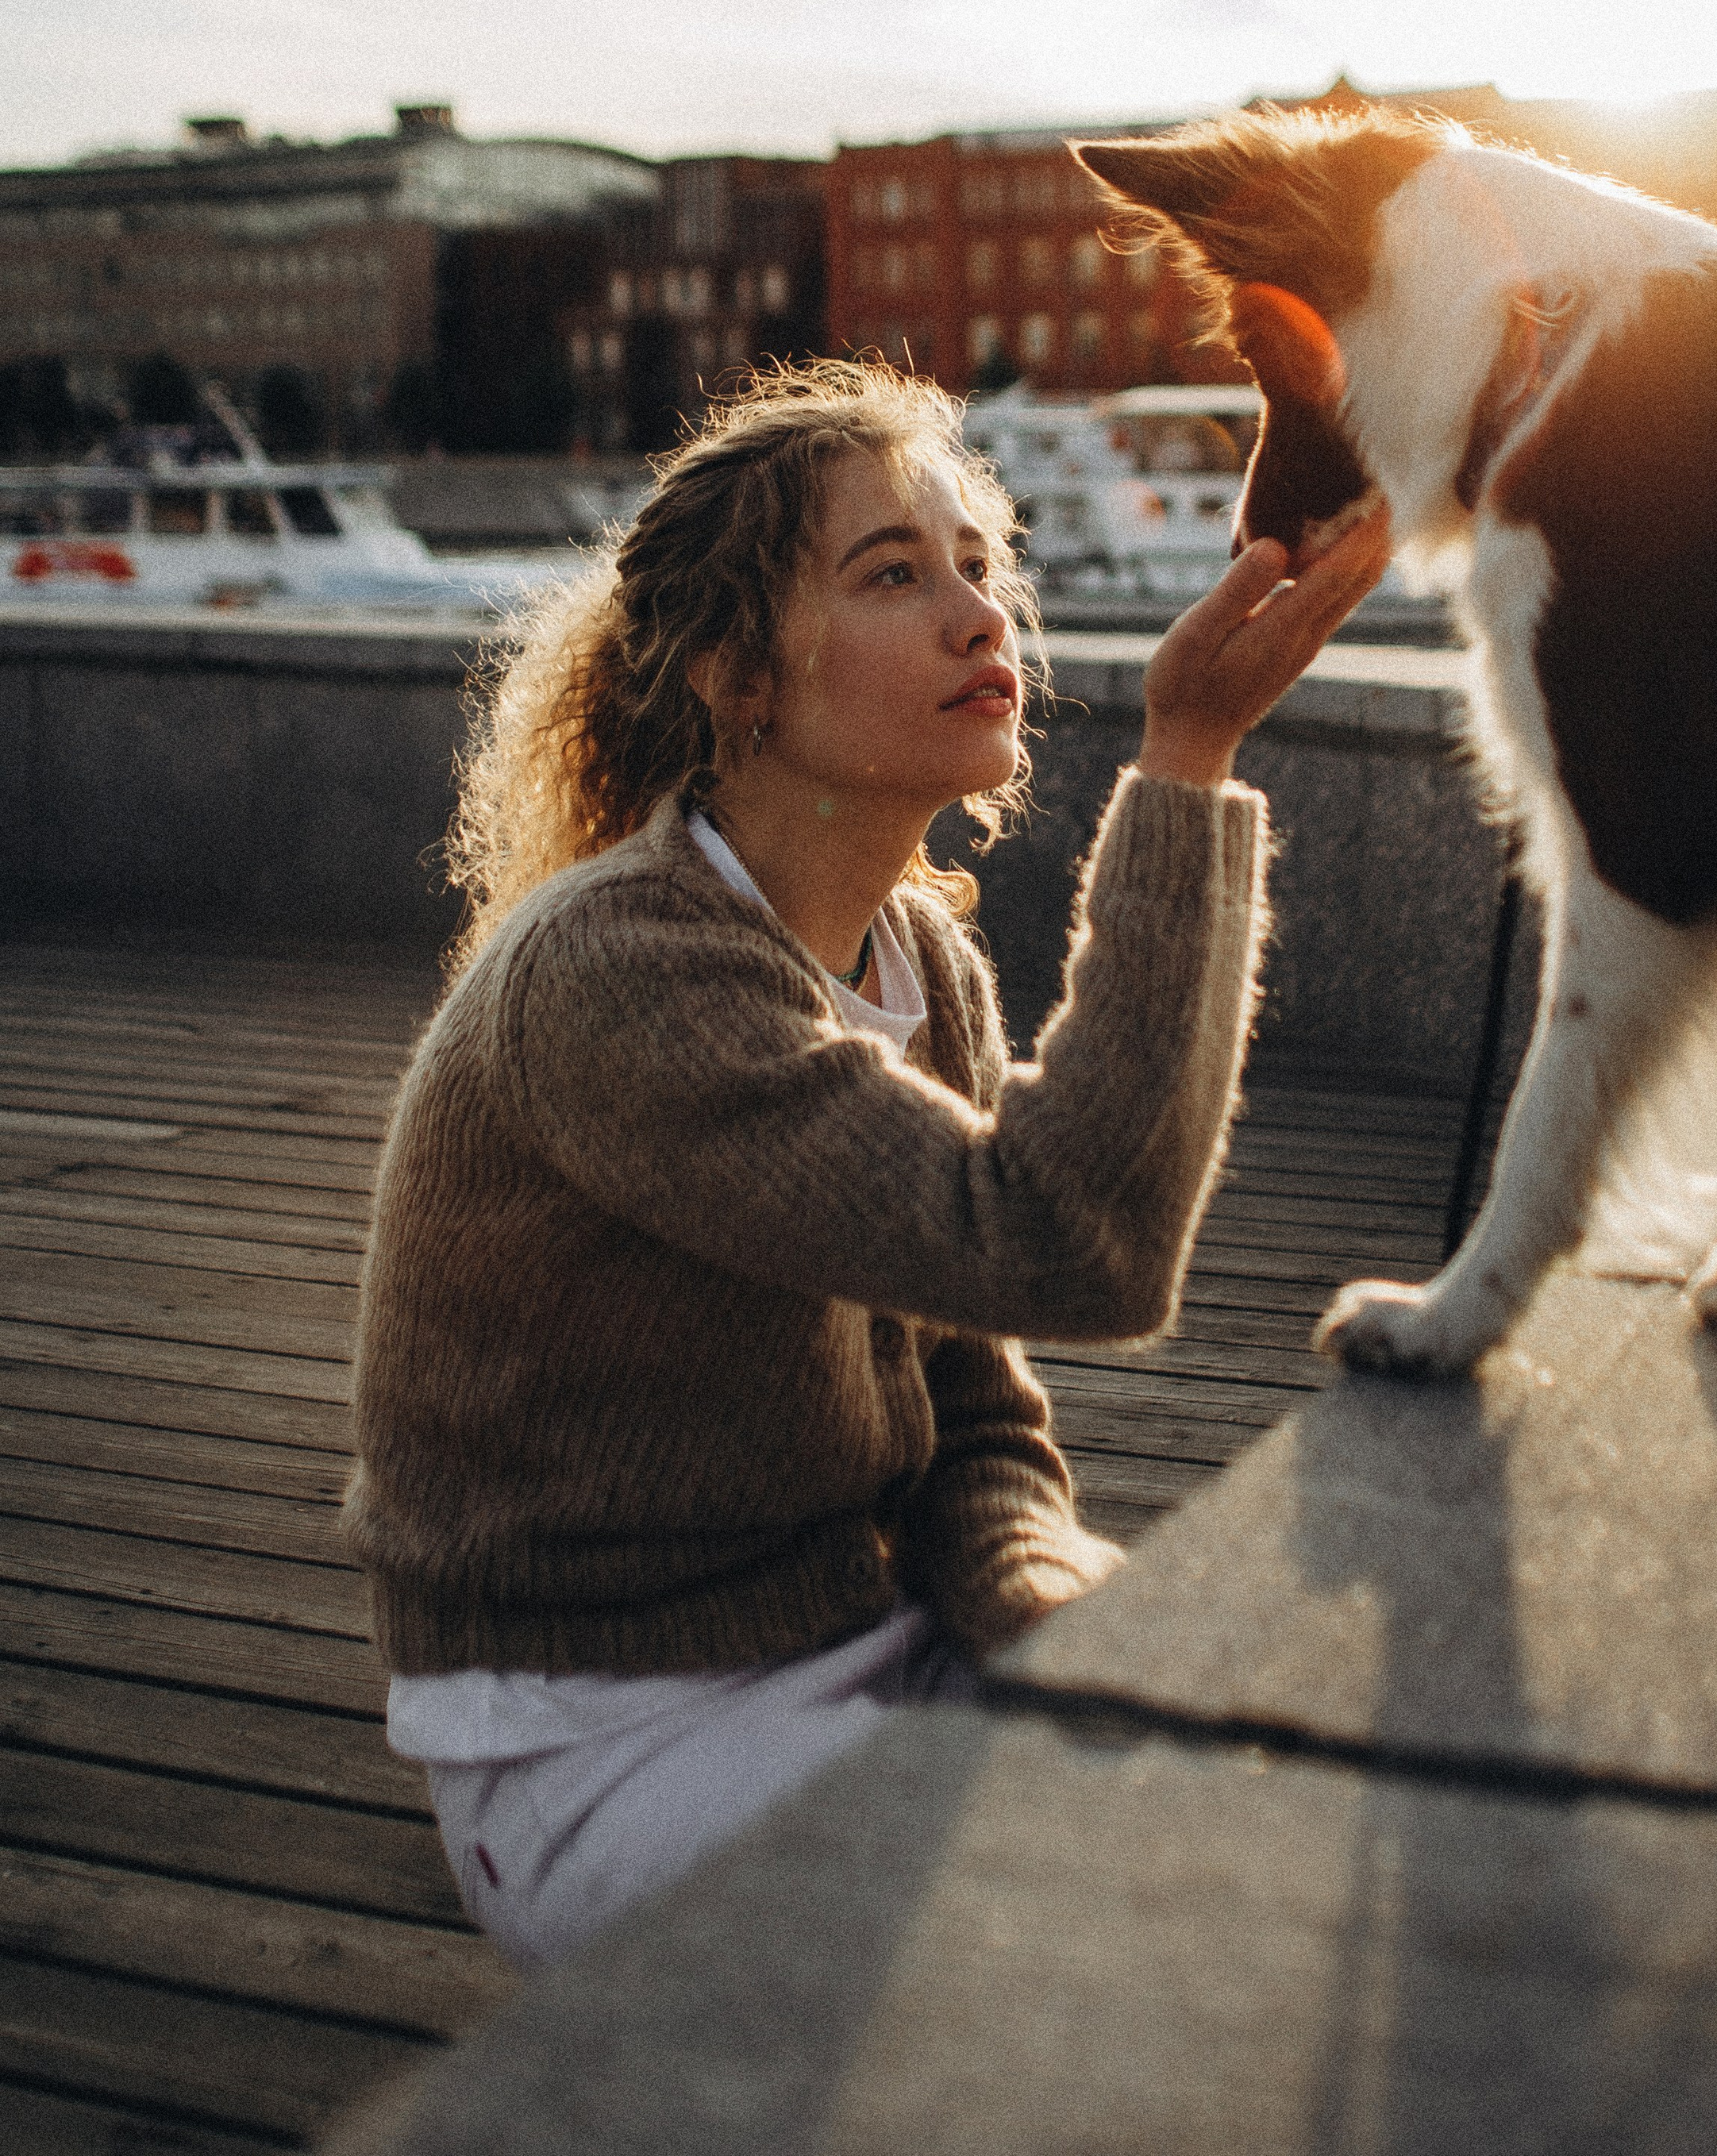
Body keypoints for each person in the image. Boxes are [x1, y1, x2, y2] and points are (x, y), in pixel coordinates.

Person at [344, 362, 1384, 1968]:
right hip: (597, 1735)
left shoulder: (917, 962)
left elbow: (975, 1416)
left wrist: (1050, 1610)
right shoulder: (614, 971)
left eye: (979, 561)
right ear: (735, 675)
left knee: (1299, 1800)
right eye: (892, 573)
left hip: (873, 1633)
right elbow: (1067, 1239)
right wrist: (1186, 750)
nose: (978, 613)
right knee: (1134, 1920)